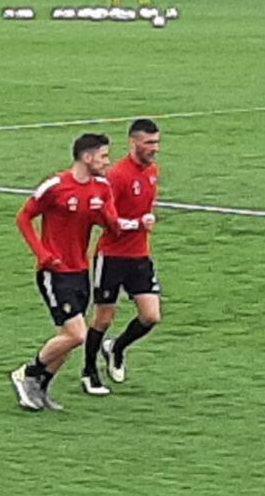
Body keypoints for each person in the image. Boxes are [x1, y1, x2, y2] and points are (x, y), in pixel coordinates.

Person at [9, 133, 145, 412]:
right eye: (103, 156)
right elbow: (23, 218)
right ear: (87, 157)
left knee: (67, 337)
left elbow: (112, 226)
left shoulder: (101, 188)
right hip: (55, 272)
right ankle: (28, 374)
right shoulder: (56, 186)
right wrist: (43, 254)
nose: (107, 162)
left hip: (81, 271)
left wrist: (115, 219)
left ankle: (40, 389)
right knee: (76, 334)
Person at [81, 119, 162, 396]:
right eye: (149, 143)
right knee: (103, 318)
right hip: (112, 256)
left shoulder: (152, 172)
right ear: (133, 143)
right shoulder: (117, 176)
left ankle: (116, 347)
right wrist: (137, 223)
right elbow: (104, 218)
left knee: (151, 316)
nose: (155, 148)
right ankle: (89, 372)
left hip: (140, 255)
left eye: (156, 142)